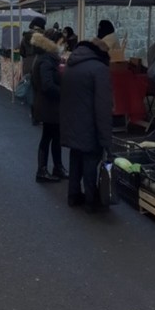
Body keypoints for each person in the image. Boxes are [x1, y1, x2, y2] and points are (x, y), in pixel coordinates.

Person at [60, 38, 113, 213]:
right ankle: (91, 200)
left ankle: (73, 195)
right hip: (90, 125)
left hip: (72, 122)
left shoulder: (72, 64)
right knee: (91, 162)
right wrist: (106, 137)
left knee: (75, 158)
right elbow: (103, 106)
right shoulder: (100, 70)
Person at [31, 29, 68, 183]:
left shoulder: (45, 56)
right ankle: (43, 170)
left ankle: (57, 167)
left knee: (54, 137)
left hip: (48, 105)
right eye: (61, 42)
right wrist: (64, 92)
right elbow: (47, 85)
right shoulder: (46, 59)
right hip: (49, 105)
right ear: (53, 42)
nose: (63, 45)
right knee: (48, 137)